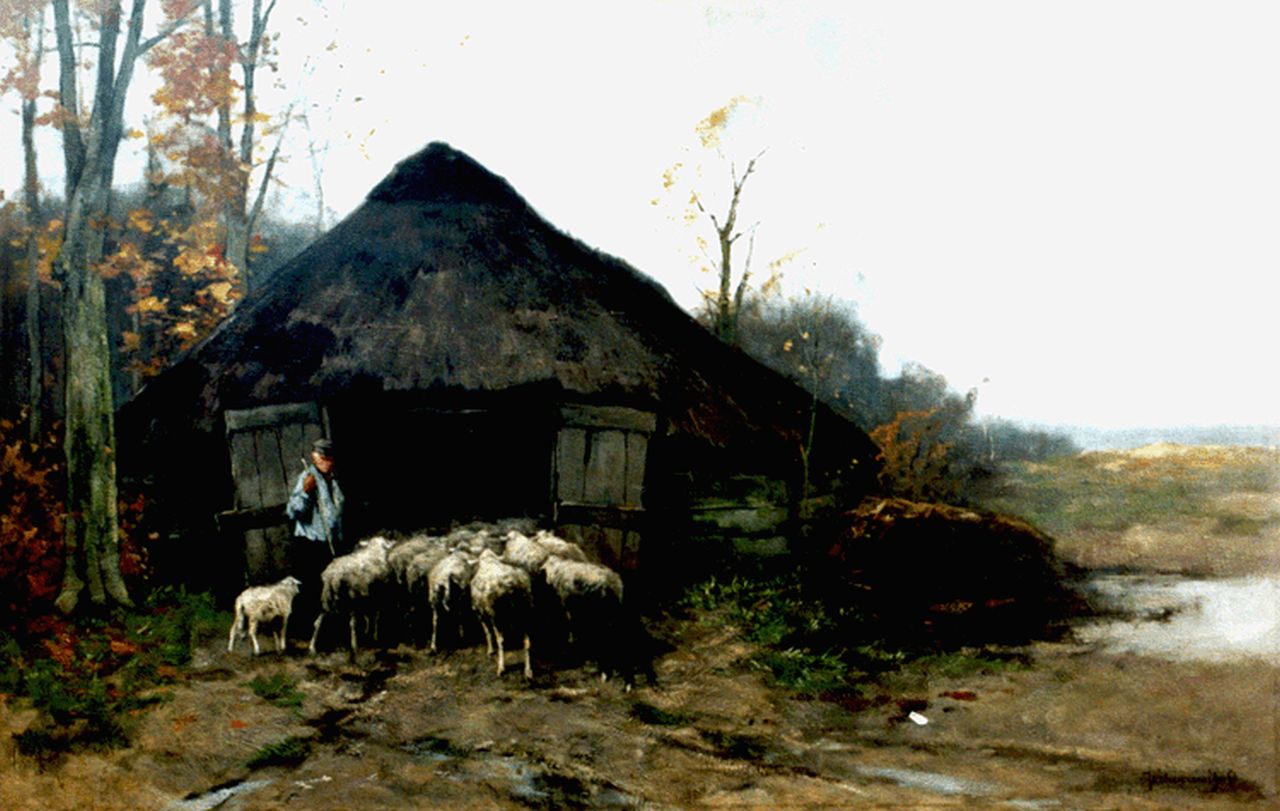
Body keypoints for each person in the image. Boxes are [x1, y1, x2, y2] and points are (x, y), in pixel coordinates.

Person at [285, 437, 345, 630]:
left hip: (330, 544)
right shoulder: (307, 478)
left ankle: (327, 631)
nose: (327, 462)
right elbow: (293, 511)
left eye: (330, 458)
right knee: (310, 590)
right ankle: (303, 633)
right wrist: (305, 492)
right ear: (314, 458)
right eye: (323, 458)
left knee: (330, 589)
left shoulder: (333, 481)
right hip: (309, 544)